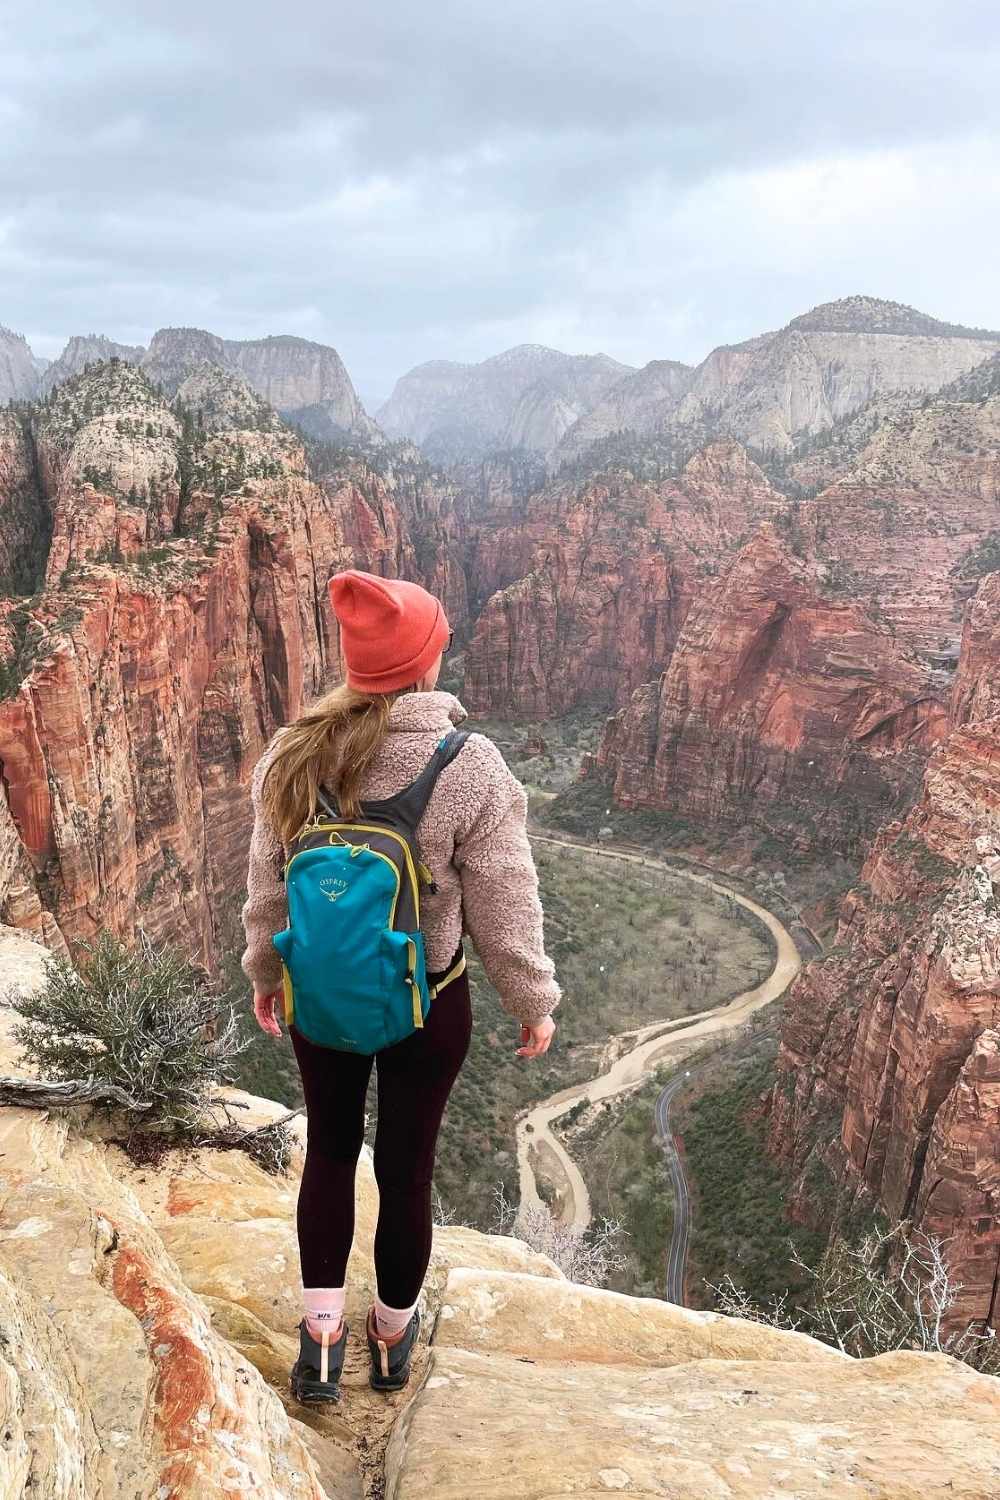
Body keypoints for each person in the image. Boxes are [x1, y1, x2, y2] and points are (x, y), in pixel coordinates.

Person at [238, 568, 561, 1403]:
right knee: (406, 1166)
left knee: (331, 1154)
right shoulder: (469, 762)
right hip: (430, 1000)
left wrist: (266, 973)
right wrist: (534, 1001)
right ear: (425, 661)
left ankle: (319, 1342)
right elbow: (504, 901)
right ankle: (389, 1338)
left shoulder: (292, 751)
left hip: (324, 997)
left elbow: (269, 889)